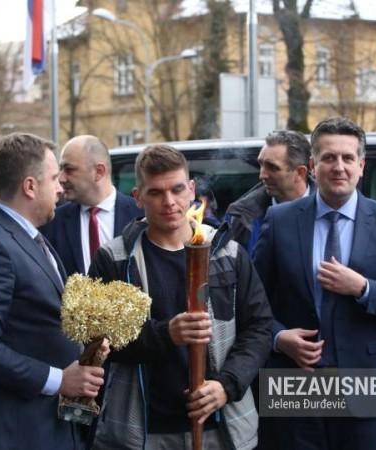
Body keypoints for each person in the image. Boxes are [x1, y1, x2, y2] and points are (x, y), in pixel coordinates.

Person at [253, 117, 376, 450]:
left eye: (348, 158)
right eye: (329, 158)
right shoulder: (281, 220)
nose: (339, 167)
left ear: (361, 166)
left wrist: (364, 288)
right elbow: (251, 302)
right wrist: (279, 338)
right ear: (312, 165)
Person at [90, 144, 273, 450]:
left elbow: (259, 328)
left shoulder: (227, 252)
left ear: (191, 189)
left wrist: (227, 384)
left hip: (221, 425)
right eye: (155, 193)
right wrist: (165, 334)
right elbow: (98, 341)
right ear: (137, 197)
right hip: (143, 432)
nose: (169, 202)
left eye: (177, 189)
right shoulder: (115, 259)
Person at [0, 133, 106, 450]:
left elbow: (38, 321)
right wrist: (58, 380)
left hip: (53, 426)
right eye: (54, 178)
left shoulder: (28, 235)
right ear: (29, 186)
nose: (60, 186)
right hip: (21, 430)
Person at [40, 135, 141, 276]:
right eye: (60, 170)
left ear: (99, 171)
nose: (61, 179)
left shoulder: (140, 216)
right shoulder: (52, 222)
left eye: (69, 170)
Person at [225, 130, 312, 256]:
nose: (262, 175)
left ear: (300, 172)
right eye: (261, 164)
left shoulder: (332, 208)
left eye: (273, 168)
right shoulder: (240, 216)